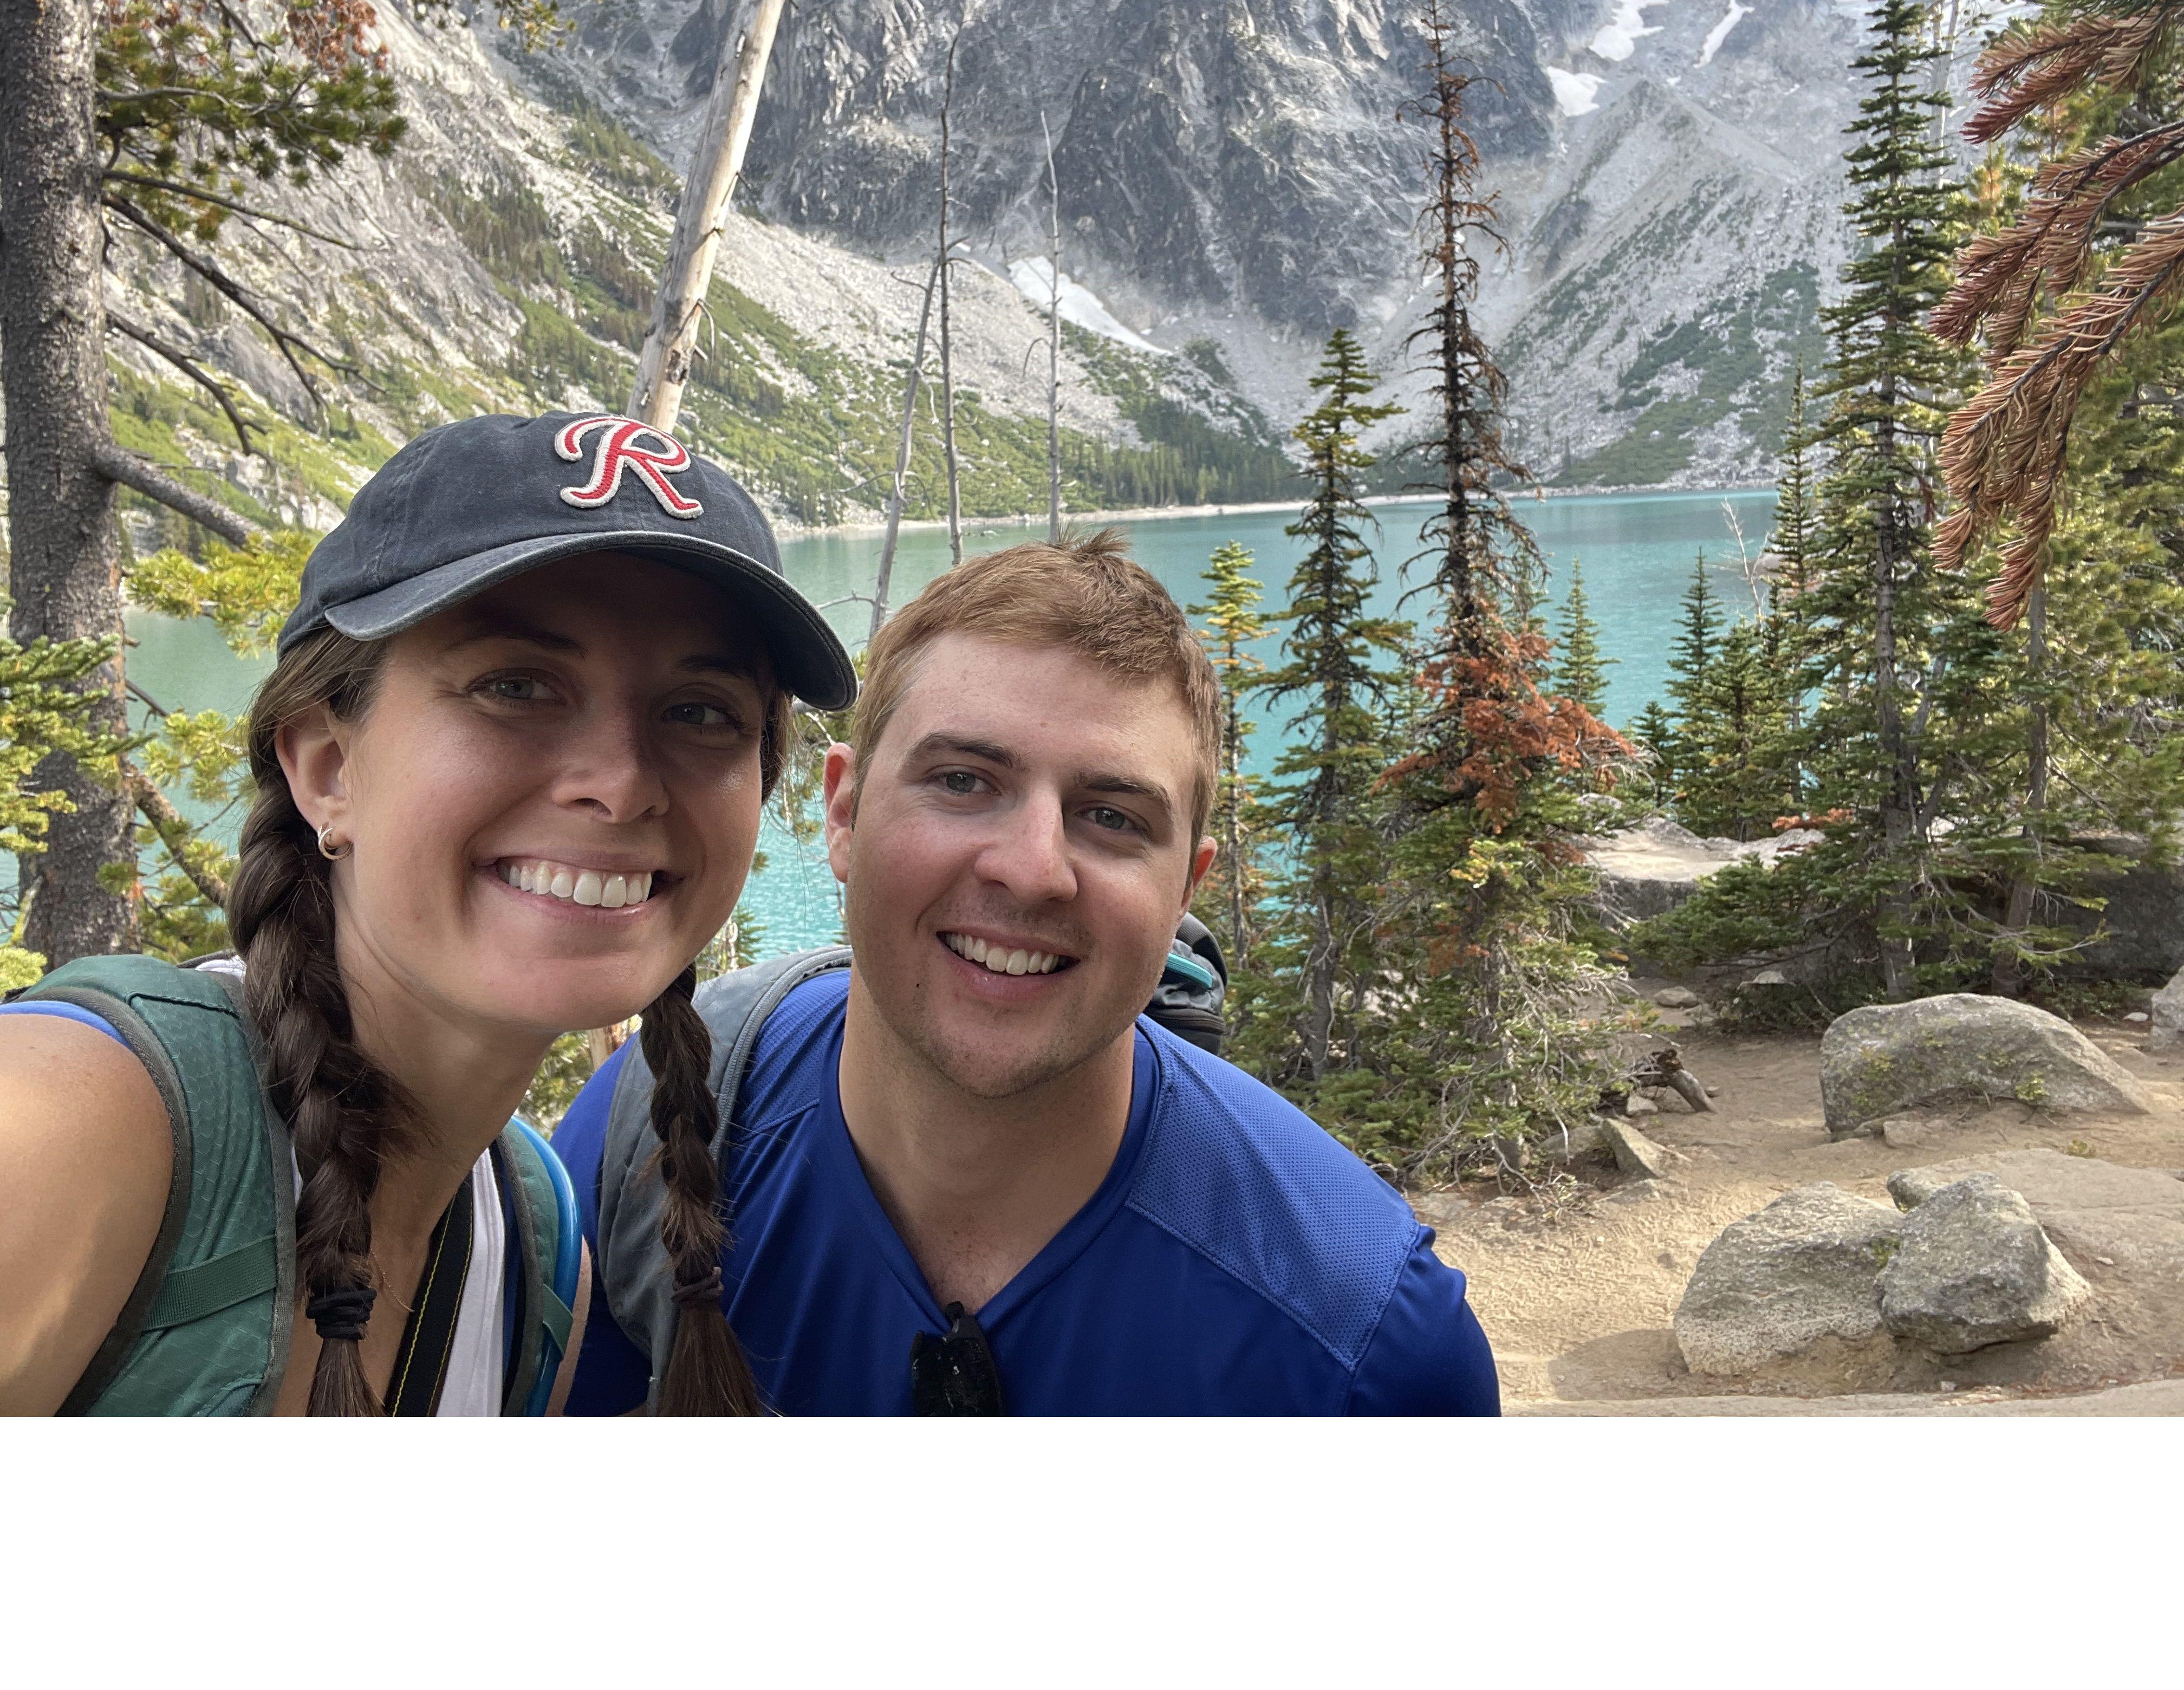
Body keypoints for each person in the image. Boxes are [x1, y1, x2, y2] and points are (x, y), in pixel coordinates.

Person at [0, 411, 854, 1416]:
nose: (622, 786)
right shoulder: (76, 1122)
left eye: (701, 711)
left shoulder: (536, 1250)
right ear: (327, 768)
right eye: (518, 687)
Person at [555, 531, 1500, 1415]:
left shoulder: (1365, 1345)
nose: (1033, 868)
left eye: (1114, 816)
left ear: (1185, 892)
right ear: (843, 814)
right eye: (963, 781)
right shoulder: (646, 1133)